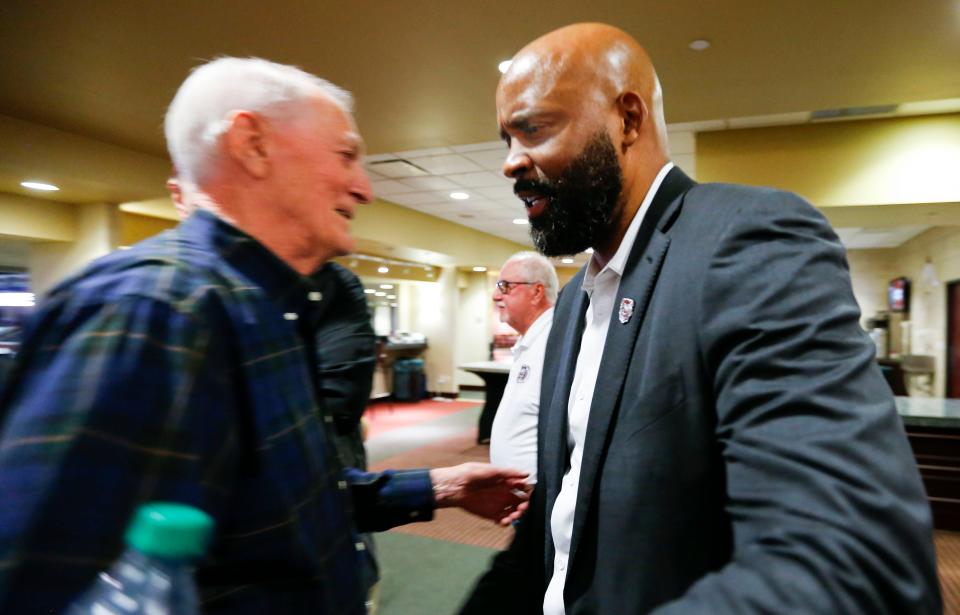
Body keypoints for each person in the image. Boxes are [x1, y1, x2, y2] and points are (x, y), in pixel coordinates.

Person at [0, 57, 529, 615]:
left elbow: (282, 503)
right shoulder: (153, 311)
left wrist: (441, 486)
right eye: (346, 155)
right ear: (252, 144)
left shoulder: (267, 310)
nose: (364, 188)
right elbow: (35, 578)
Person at [461, 23, 940, 614]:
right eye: (506, 138)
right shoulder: (570, 311)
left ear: (628, 120)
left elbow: (859, 563)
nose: (511, 163)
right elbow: (557, 521)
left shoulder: (749, 240)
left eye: (532, 128)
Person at [489, 252, 557, 483]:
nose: (495, 295)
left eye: (505, 286)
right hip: (522, 492)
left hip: (538, 493)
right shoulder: (531, 339)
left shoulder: (554, 341)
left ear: (536, 292)